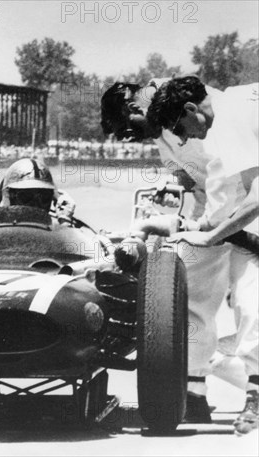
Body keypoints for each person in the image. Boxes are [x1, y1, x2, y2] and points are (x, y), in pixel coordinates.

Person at [102, 79, 257, 432]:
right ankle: (193, 391)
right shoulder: (163, 128)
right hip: (217, 211)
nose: (133, 138)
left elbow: (241, 182)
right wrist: (179, 198)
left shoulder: (201, 111)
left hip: (240, 207)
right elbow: (194, 177)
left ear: (138, 108)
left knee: (250, 297)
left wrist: (207, 229)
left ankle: (255, 392)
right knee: (187, 293)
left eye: (130, 129)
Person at [147, 77, 258, 433]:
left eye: (182, 128)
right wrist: (194, 227)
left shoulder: (229, 122)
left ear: (192, 109)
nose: (185, 139)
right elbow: (229, 198)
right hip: (244, 226)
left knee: (251, 302)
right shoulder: (228, 113)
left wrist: (212, 234)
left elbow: (256, 195)